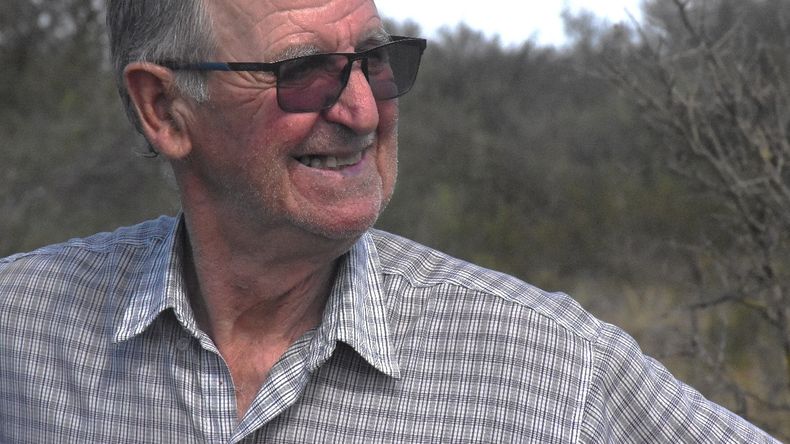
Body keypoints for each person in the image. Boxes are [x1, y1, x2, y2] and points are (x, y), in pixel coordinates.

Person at [0, 0, 780, 442]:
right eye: (301, 72)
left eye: (375, 60)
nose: (364, 109)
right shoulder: (21, 331)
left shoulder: (554, 372)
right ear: (163, 108)